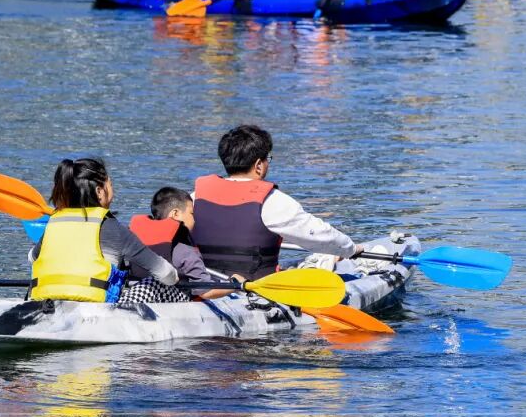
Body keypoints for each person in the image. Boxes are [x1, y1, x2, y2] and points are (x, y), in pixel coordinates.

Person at [191, 125, 364, 280]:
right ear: (259, 165)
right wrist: (350, 249)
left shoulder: (194, 197)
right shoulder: (272, 201)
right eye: (268, 159)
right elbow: (320, 235)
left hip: (208, 287)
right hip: (257, 291)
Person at [29, 158, 179, 302]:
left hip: (47, 302)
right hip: (97, 309)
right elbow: (165, 274)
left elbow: (32, 257)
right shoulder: (114, 228)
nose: (113, 192)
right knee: (156, 283)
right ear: (99, 192)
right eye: (111, 185)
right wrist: (176, 277)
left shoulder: (55, 222)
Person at [126, 187, 243, 302]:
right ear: (175, 214)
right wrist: (234, 284)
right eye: (192, 214)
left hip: (139, 292)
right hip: (169, 298)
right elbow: (206, 291)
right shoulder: (185, 250)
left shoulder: (133, 240)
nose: (194, 220)